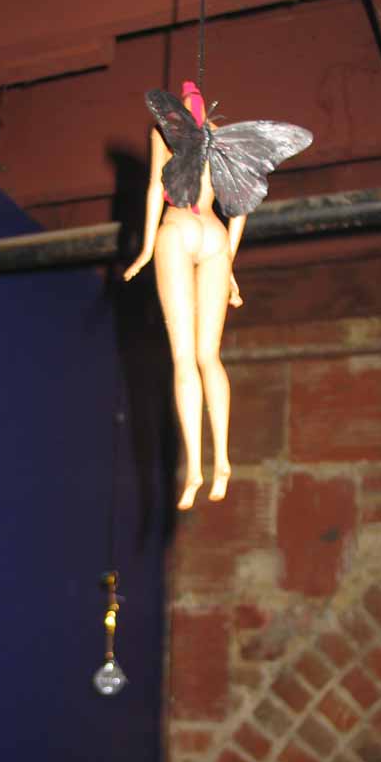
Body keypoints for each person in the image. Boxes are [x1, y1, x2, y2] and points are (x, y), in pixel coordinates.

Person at [123, 81, 245, 511]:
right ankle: (223, 460)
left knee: (183, 357)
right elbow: (239, 205)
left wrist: (145, 248)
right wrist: (229, 263)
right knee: (210, 355)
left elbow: (154, 189)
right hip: (215, 234)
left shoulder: (166, 129)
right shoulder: (222, 137)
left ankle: (194, 467)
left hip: (178, 228)